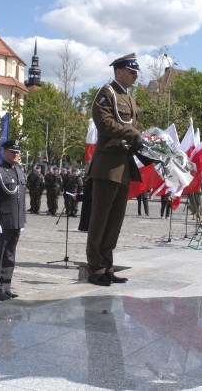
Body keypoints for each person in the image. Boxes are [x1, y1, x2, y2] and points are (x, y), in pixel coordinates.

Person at [85, 53, 145, 286]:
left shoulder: (128, 97)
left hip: (123, 164)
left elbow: (130, 126)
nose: (135, 76)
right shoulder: (106, 93)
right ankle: (95, 269)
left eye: (136, 72)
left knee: (115, 221)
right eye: (132, 72)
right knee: (100, 220)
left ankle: (107, 266)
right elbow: (105, 123)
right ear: (118, 72)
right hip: (107, 165)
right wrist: (134, 134)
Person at [0, 140, 26, 301]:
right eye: (13, 152)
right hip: (3, 221)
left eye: (18, 152)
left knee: (10, 255)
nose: (16, 154)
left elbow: (22, 198)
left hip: (16, 221)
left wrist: (22, 220)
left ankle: (6, 286)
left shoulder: (19, 170)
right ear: (5, 153)